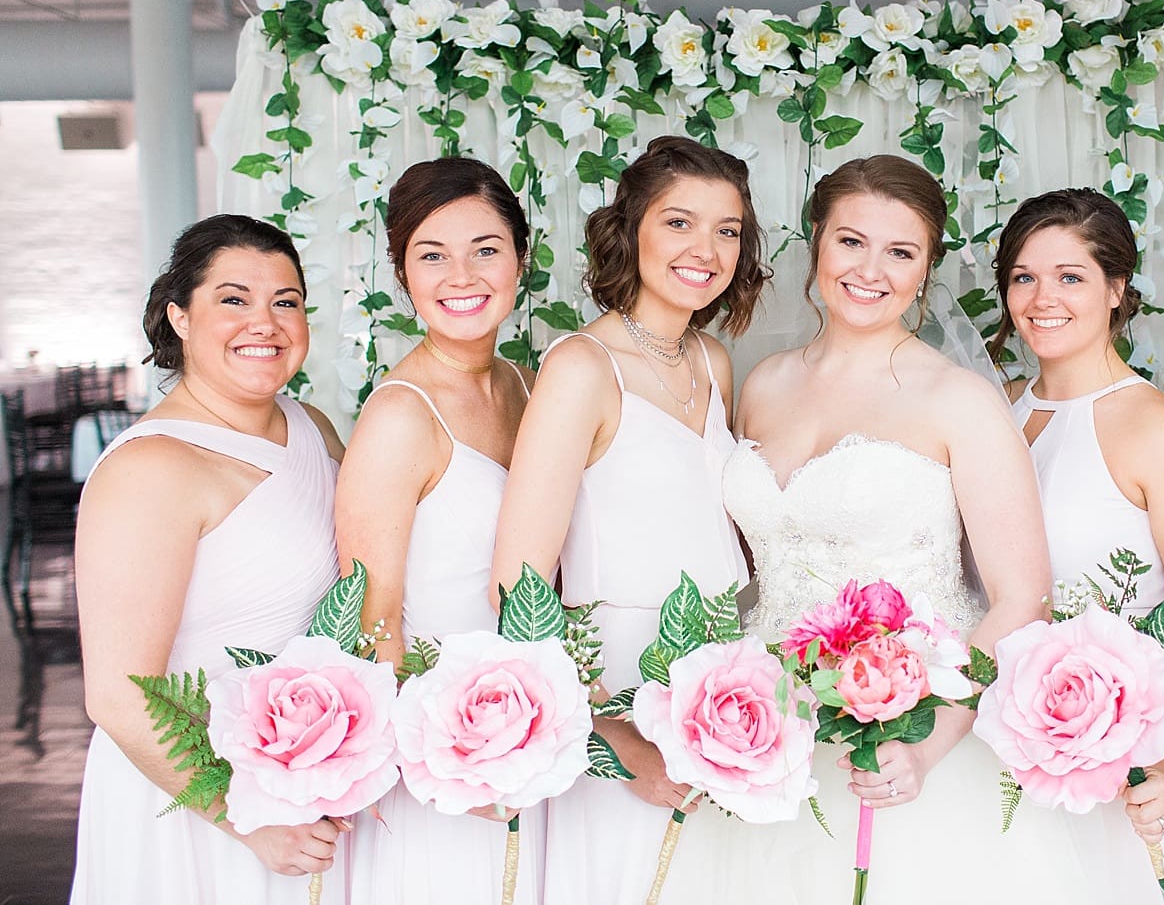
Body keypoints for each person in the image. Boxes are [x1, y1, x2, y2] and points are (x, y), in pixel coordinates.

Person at [719, 155, 1104, 903]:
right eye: (850, 241)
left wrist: (927, 744)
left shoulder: (956, 398)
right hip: (773, 735)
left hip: (911, 741)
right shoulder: (762, 382)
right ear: (816, 245)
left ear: (926, 269)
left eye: (900, 252)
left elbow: (1022, 595)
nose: (871, 270)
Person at [491, 135, 769, 904]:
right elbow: (517, 585)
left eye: (727, 229)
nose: (705, 249)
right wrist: (613, 743)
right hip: (613, 677)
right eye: (679, 222)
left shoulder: (712, 360)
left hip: (719, 677)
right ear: (631, 230)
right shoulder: (581, 367)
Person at [71, 215, 348, 903]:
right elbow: (118, 694)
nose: (266, 322)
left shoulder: (311, 425)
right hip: (195, 799)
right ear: (180, 317)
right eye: (233, 299)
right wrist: (246, 816)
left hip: (309, 783)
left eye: (286, 301)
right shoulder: (151, 468)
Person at [993, 188, 1164, 904]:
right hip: (1006, 757)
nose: (1043, 297)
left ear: (1116, 290)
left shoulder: (1154, 428)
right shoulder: (994, 407)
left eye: (1070, 276)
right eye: (1023, 276)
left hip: (1128, 774)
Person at [338, 157, 542, 904]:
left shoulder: (526, 385)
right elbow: (370, 617)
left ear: (521, 257)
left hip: (530, 737)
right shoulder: (399, 415)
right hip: (443, 761)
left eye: (486, 248)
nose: (462, 274)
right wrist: (450, 767)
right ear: (403, 273)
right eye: (432, 254)